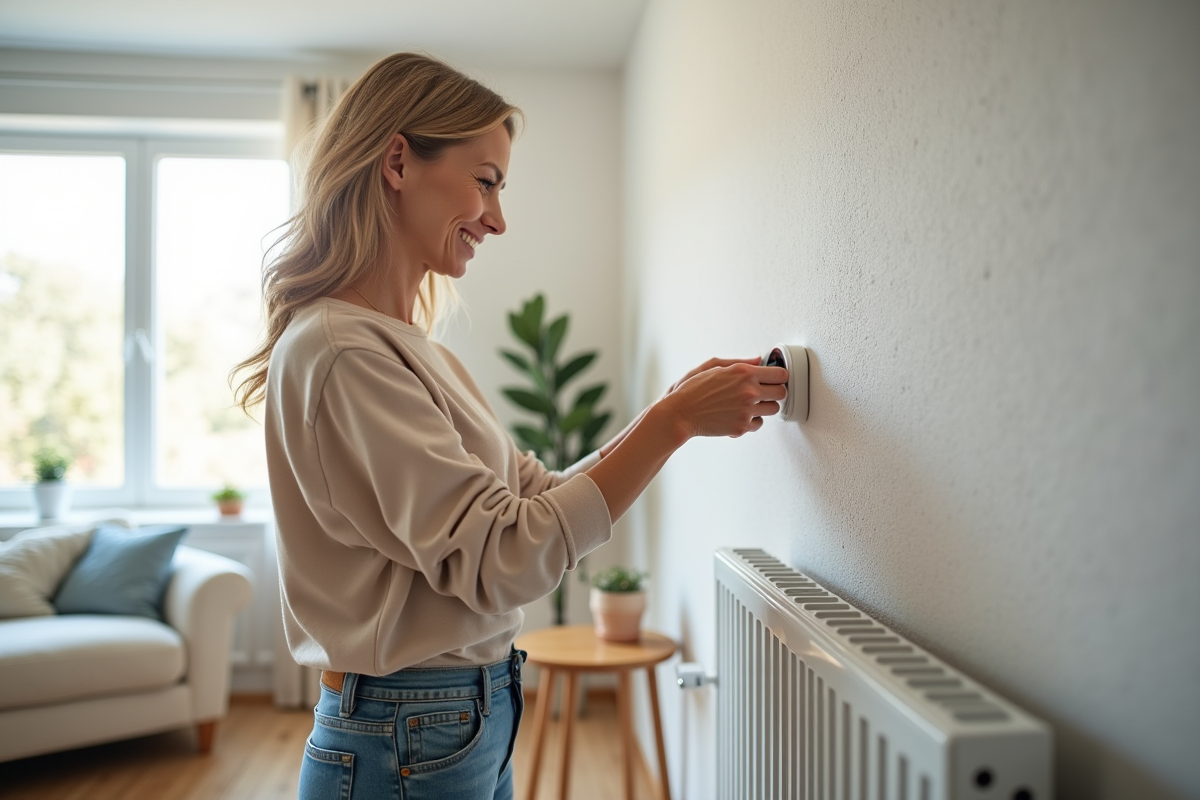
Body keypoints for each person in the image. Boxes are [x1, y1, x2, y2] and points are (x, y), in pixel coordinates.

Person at [234, 52, 787, 800]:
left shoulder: (407, 349)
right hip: (408, 729)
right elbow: (503, 560)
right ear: (398, 160)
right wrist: (673, 422)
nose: (497, 219)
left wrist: (674, 407)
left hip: (450, 719)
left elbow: (537, 494)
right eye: (486, 181)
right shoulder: (343, 350)